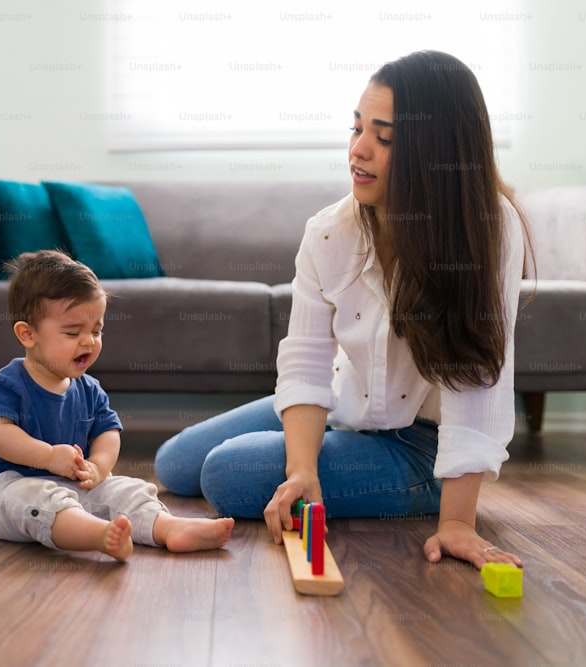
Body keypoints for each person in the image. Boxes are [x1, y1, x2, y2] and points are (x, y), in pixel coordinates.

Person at [155, 50, 532, 571]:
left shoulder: (490, 228)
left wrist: (457, 523)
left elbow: (478, 380)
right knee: (174, 463)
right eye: (356, 128)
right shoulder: (331, 231)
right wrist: (302, 467)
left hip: (421, 447)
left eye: (384, 138)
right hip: (344, 408)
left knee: (226, 475)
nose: (358, 150)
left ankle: (414, 491)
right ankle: (319, 454)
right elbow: (308, 360)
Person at [0, 249, 234, 561]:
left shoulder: (90, 388)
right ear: (27, 334)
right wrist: (49, 457)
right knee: (36, 497)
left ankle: (168, 527)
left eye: (96, 330)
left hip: (73, 484)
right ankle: (97, 534)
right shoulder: (9, 382)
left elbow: (108, 433)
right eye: (73, 332)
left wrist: (98, 467)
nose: (88, 341)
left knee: (124, 489)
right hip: (7, 489)